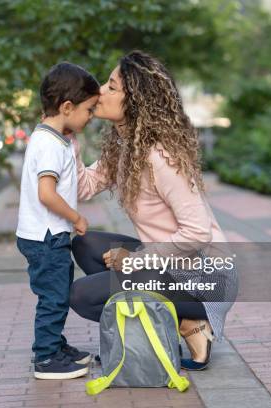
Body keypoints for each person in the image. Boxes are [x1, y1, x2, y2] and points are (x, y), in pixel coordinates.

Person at [69, 51, 238, 371]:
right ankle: (179, 324)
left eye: (112, 87)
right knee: (85, 244)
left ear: (135, 102)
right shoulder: (124, 148)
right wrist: (69, 135)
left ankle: (185, 321)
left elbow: (198, 232)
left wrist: (135, 260)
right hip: (170, 267)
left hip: (205, 277)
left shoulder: (160, 157)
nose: (100, 91)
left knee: (82, 295)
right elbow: (84, 187)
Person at [16, 62, 101, 379]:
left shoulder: (54, 137)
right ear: (67, 106)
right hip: (46, 236)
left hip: (45, 235)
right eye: (89, 110)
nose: (91, 117)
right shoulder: (49, 145)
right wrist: (76, 216)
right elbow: (47, 194)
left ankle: (55, 344)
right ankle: (46, 358)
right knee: (53, 297)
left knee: (57, 292)